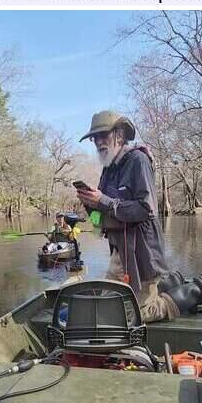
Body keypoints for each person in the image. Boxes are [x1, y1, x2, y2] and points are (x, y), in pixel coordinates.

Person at [75, 111, 177, 323]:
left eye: (104, 135)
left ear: (119, 135)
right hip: (119, 253)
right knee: (106, 307)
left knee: (133, 315)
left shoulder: (138, 160)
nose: (99, 142)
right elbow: (100, 216)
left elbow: (146, 208)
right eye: (95, 138)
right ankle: (164, 287)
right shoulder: (108, 169)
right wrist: (90, 203)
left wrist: (103, 200)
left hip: (142, 253)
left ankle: (191, 294)